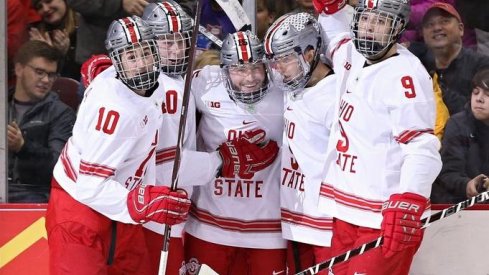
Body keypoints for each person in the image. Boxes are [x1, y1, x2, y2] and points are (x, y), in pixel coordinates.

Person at [44, 16, 192, 275]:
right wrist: (143, 201)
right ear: (118, 61)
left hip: (119, 208)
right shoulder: (113, 111)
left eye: (146, 53)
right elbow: (89, 187)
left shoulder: (151, 85)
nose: (142, 63)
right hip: (79, 210)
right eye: (132, 57)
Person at [315, 0, 442, 274]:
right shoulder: (350, 53)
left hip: (382, 217)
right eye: (365, 20)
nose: (370, 29)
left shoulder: (406, 76)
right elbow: (335, 35)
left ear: (397, 28)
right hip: (341, 210)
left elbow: (421, 146)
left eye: (381, 22)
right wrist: (330, 9)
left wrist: (409, 198)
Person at [184, 30, 286, 275]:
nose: (250, 78)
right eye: (239, 70)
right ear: (224, 69)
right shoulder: (205, 84)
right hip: (210, 225)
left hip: (268, 229)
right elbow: (166, 86)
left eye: (256, 68)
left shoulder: (284, 87)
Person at [263, 12, 335, 274]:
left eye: (284, 59)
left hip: (329, 223)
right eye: (275, 61)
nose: (278, 69)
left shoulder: (336, 94)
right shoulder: (295, 86)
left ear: (308, 54)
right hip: (295, 217)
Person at [7, 40, 75, 203]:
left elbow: (60, 168)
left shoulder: (62, 114)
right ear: (19, 69)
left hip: (37, 196)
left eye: (51, 75)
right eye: (39, 72)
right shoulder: (4, 107)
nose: (46, 80)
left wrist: (23, 147)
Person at [410, 2, 489, 115]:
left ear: (461, 29)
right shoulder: (416, 63)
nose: (437, 27)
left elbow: (478, 111)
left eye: (444, 21)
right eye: (429, 24)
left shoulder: (482, 65)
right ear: (422, 34)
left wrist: (437, 88)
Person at [432, 68, 489, 204]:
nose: (479, 99)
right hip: (460, 206)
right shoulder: (458, 124)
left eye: (487, 94)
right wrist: (467, 185)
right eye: (475, 93)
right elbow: (448, 172)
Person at [30, 0, 80, 79]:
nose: (45, 9)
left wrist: (67, 54)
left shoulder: (84, 27)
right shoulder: (36, 34)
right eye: (39, 7)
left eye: (48, 1)